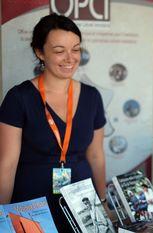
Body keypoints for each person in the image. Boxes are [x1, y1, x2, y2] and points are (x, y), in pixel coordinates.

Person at [0, 13, 107, 232]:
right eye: (59, 51)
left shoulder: (92, 96)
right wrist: (2, 215)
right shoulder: (19, 97)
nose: (70, 58)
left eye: (76, 49)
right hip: (32, 206)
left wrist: (103, 202)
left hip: (82, 205)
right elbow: (7, 164)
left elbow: (96, 155)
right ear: (40, 52)